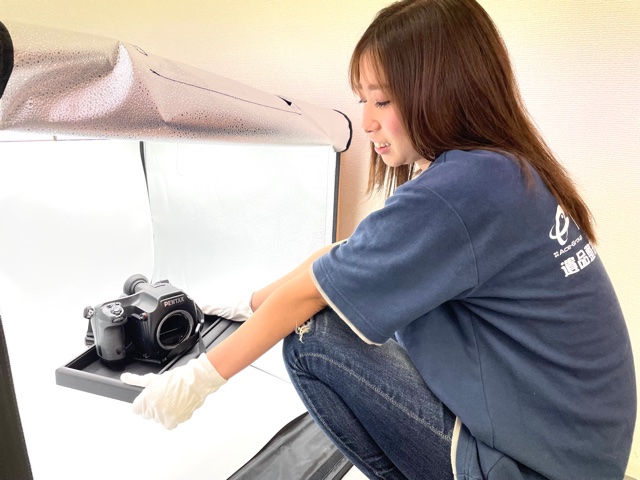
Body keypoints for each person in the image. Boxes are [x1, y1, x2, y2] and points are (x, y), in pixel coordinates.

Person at [121, 0, 636, 478]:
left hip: (532, 468)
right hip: (574, 452)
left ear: (444, 91)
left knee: (313, 337)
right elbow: (343, 261)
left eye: (383, 100)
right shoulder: (501, 170)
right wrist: (247, 303)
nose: (366, 122)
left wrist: (199, 380)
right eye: (362, 100)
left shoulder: (459, 192)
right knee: (338, 308)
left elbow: (313, 296)